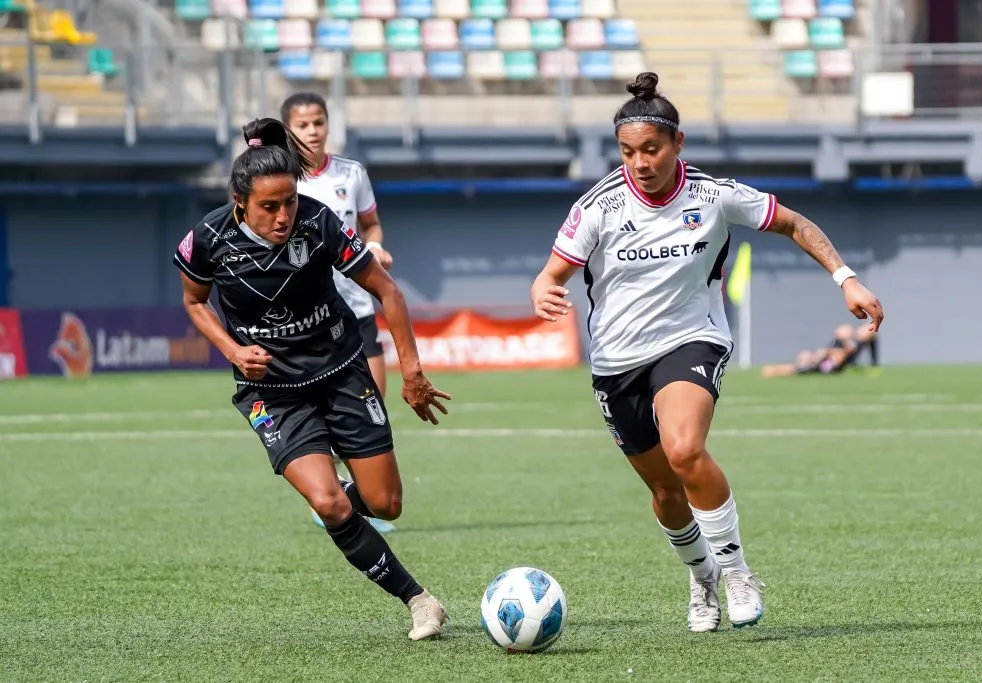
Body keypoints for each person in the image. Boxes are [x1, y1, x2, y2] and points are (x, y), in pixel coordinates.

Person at [530, 72, 884, 633]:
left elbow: (794, 223)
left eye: (651, 149)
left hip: (691, 340)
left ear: (678, 145)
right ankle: (701, 580)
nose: (640, 162)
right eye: (628, 152)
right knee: (666, 493)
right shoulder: (598, 205)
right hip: (616, 363)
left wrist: (846, 278)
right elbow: (551, 274)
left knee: (686, 450)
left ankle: (738, 571)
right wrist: (545, 290)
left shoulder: (715, 196)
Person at [173, 117, 450, 641]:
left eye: (290, 202)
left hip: (341, 372)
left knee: (387, 503)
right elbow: (194, 300)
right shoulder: (208, 238)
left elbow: (388, 291)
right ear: (239, 202)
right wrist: (233, 349)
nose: (283, 216)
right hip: (271, 394)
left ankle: (348, 494)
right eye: (269, 207)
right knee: (327, 503)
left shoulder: (319, 223)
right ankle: (419, 599)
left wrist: (412, 370)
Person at [280, 92, 397, 533]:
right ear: (288, 128)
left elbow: (371, 225)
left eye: (318, 122)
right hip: (311, 314)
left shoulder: (352, 173)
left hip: (359, 305)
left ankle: (357, 497)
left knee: (372, 407)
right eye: (303, 124)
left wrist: (377, 245)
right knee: (318, 415)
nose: (312, 131)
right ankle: (328, 497)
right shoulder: (284, 180)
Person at [760, 322, 879, 378]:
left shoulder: (852, 345)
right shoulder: (850, 336)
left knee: (803, 367)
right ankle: (774, 370)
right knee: (804, 360)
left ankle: (774, 371)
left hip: (830, 362)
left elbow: (845, 353)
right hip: (828, 358)